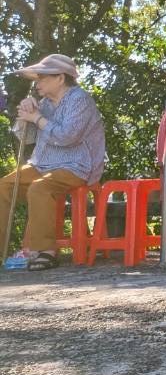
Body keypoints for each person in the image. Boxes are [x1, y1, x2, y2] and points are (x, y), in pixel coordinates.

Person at [1, 54, 106, 271]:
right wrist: (26, 115)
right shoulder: (45, 103)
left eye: (42, 78)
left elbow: (68, 136)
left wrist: (37, 118)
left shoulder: (80, 99)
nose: (37, 83)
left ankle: (44, 251)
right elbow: (27, 139)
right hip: (42, 164)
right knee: (3, 187)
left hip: (76, 166)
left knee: (40, 188)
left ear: (60, 78)